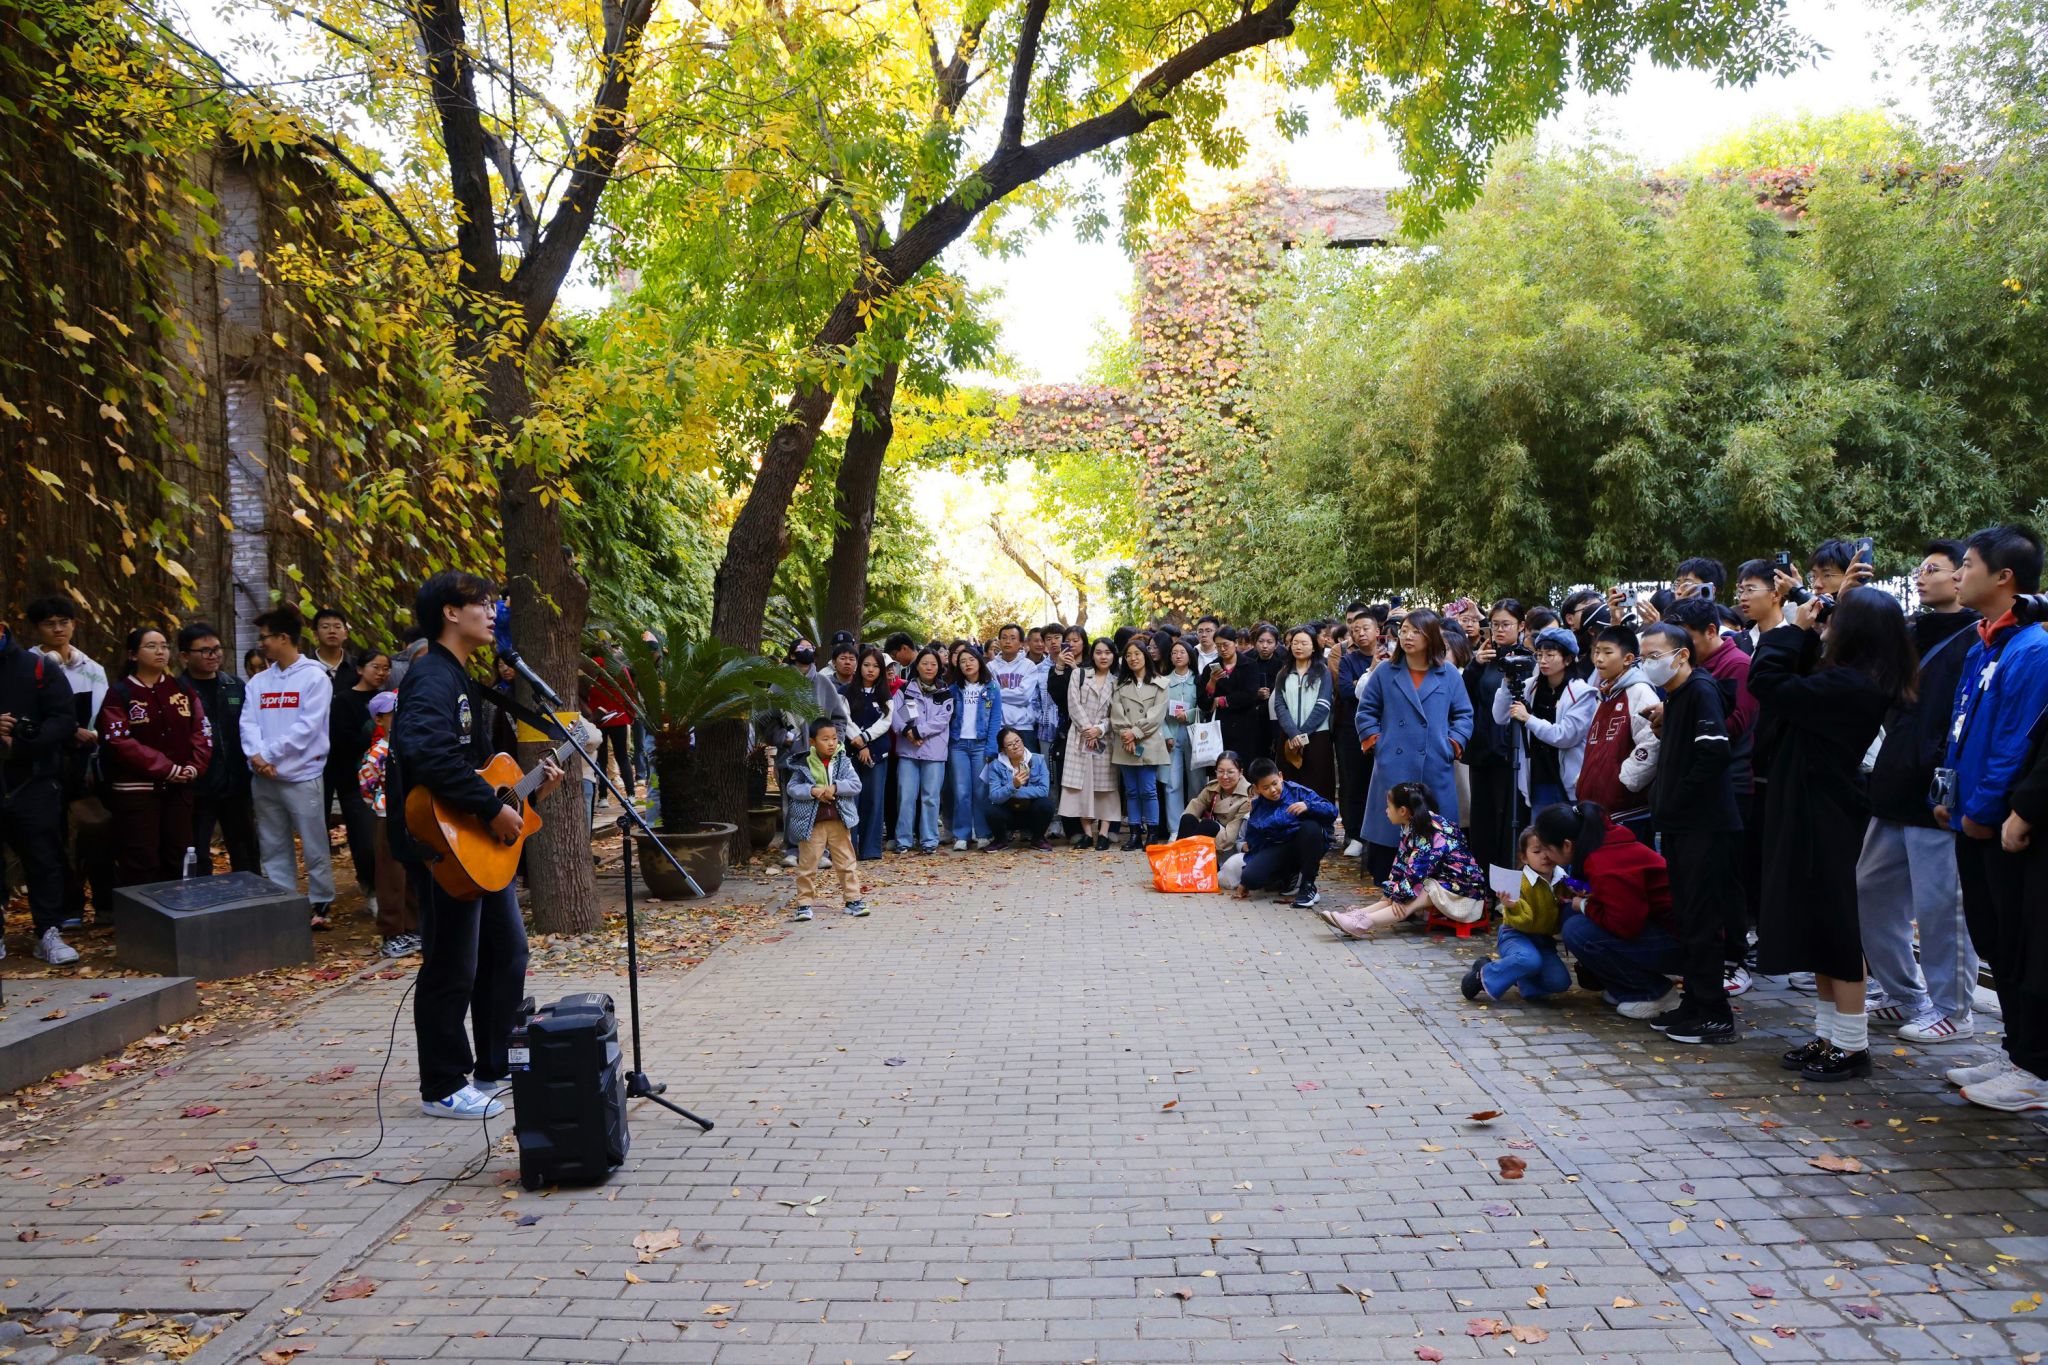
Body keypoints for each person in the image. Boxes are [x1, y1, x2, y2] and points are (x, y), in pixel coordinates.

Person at [391, 571, 564, 1121]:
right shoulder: (431, 677)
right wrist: (490, 809)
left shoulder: (461, 676)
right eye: (482, 604)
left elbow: (481, 770)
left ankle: (494, 1064)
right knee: (451, 965)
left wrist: (526, 793)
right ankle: (442, 1085)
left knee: (506, 953)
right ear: (449, 612)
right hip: (442, 844)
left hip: (476, 845)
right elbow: (427, 754)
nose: (493, 613)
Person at [1749, 587, 1917, 1081]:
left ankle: (1852, 1043)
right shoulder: (1850, 678)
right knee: (1816, 925)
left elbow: (1767, 683)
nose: (1828, 626)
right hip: (1811, 808)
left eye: (1837, 620)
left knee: (1836, 927)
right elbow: (1790, 683)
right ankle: (1829, 1036)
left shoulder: (1853, 685)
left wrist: (1791, 631)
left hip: (1828, 815)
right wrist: (1803, 637)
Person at [1938, 526, 2048, 1111]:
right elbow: (1961, 727)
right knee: (1995, 942)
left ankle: (2035, 1067)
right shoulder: (1985, 641)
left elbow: (2014, 743)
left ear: (2005, 576)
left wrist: (1982, 808)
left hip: (2001, 823)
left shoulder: (2033, 649)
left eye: (1968, 565)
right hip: (1969, 815)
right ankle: (2016, 1050)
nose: (1958, 574)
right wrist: (1948, 795)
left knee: (2017, 944)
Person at [1858, 541, 1982, 1044]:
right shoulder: (1908, 633)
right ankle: (1903, 992)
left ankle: (1954, 1008)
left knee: (1941, 906)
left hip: (1938, 794)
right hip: (1893, 784)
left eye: (1935, 568)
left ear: (1961, 578)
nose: (1921, 576)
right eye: (1920, 568)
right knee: (1870, 889)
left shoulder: (1978, 638)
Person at [1635, 621, 1743, 1044]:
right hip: (1680, 825)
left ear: (1682, 655)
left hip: (1705, 825)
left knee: (1703, 919)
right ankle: (1695, 1002)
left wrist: (1676, 800)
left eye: (1654, 655)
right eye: (1643, 656)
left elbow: (1713, 754)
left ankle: (1715, 1013)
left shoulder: (1700, 690)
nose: (1648, 663)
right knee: (1687, 917)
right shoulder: (1675, 695)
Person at [1666, 595, 1759, 994]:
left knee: (1725, 878)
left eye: (1685, 638)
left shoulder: (1736, 665)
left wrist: (1678, 719)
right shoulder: (1694, 669)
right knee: (1696, 884)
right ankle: (1703, 963)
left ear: (1710, 631)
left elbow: (1734, 725)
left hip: (1729, 785)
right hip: (1694, 786)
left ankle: (1734, 959)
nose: (1679, 649)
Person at [1355, 608, 1473, 881]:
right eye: (1404, 630)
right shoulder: (1386, 671)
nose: (1407, 637)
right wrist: (1379, 744)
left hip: (1435, 763)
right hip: (1393, 764)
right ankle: (1391, 892)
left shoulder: (1449, 674)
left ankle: (1428, 894)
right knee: (1390, 838)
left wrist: (1452, 745)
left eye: (1416, 632)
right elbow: (1366, 711)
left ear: (1431, 636)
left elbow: (1464, 715)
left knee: (1434, 837)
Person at [1540, 800, 1682, 1016]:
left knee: (1577, 931)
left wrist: (1585, 905)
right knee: (1571, 914)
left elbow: (1625, 924)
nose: (1545, 856)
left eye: (1547, 849)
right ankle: (1626, 987)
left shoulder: (1604, 862)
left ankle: (1653, 993)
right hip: (1662, 926)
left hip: (1682, 940)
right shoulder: (1603, 841)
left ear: (1567, 845)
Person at [242, 606, 337, 927]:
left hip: (302, 775)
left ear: (284, 638)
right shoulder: (259, 682)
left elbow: (308, 728)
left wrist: (267, 755)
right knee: (272, 842)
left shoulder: (315, 677)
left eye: (265, 637)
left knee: (313, 842)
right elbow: (248, 723)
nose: (262, 643)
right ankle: (282, 900)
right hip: (263, 777)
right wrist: (256, 757)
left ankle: (320, 900)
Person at [98, 627, 212, 887]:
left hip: (179, 789)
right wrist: (166, 768)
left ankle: (179, 909)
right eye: (151, 646)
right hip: (136, 792)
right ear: (133, 654)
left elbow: (202, 730)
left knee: (179, 855)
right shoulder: (120, 693)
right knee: (141, 859)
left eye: (164, 646)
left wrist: (194, 766)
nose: (160, 651)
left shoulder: (182, 689)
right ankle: (141, 912)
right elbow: (118, 741)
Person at [1, 620, 81, 963]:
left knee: (43, 857)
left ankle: (49, 930)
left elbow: (64, 720)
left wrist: (21, 740)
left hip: (33, 780)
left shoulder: (37, 667)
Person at [29, 595, 110, 929]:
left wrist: (91, 735)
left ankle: (105, 903)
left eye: (64, 622)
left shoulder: (92, 669)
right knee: (53, 836)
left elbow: (104, 712)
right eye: (49, 624)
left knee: (97, 830)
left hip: (85, 762)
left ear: (74, 625)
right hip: (44, 762)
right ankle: (66, 907)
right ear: (37, 628)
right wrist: (67, 730)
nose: (58, 629)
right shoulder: (28, 666)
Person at [1318, 781, 1484, 935]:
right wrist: (1392, 892)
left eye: (1389, 806)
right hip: (1442, 882)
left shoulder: (1429, 831)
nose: (1386, 811)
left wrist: (1400, 896)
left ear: (1403, 811)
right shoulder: (1413, 825)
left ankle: (1363, 923)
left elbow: (1417, 872)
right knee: (1400, 893)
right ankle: (1357, 916)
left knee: (1418, 891)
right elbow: (1401, 863)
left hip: (1465, 893)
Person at [178, 622, 259, 875]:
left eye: (216, 649)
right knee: (197, 849)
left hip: (236, 782)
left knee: (245, 846)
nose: (213, 655)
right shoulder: (177, 691)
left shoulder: (234, 685)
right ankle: (201, 895)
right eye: (204, 651)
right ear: (184, 656)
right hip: (199, 785)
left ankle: (253, 893)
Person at [1491, 626, 1596, 810]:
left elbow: (1566, 736)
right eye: (1539, 655)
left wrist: (1528, 719)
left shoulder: (1581, 692)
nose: (1543, 661)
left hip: (1569, 782)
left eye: (1550, 655)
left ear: (1568, 659)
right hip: (1537, 777)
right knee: (1540, 828)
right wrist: (1507, 682)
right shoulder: (1531, 686)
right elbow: (1500, 717)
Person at [1462, 828, 1572, 1002]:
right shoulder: (1519, 882)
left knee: (1560, 982)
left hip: (1543, 940)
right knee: (1530, 960)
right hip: (1515, 935)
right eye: (1537, 851)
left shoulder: (1563, 879)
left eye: (1548, 849)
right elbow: (1524, 921)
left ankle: (1522, 981)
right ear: (1524, 857)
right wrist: (1513, 906)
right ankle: (1483, 974)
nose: (1544, 856)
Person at [1574, 624, 1659, 845]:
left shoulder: (1640, 692)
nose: (1599, 659)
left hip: (1627, 812)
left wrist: (1626, 780)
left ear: (1628, 659)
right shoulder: (1606, 694)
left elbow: (1652, 741)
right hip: (1599, 810)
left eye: (1607, 652)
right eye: (1596, 651)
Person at [357, 689, 421, 956]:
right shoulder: (377, 753)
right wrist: (381, 804)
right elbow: (367, 785)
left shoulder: (410, 745)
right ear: (379, 719)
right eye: (392, 714)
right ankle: (392, 932)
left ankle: (414, 926)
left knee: (414, 872)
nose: (398, 717)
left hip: (412, 815)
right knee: (390, 875)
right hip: (387, 816)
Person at [1463, 600, 1524, 877]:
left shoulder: (1525, 658)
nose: (1499, 630)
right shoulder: (1483, 658)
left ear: (1521, 626)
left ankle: (1507, 884)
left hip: (1509, 751)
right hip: (1481, 750)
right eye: (1495, 624)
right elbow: (1465, 696)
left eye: (1506, 624)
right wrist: (1475, 665)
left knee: (1508, 819)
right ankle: (1483, 882)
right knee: (1482, 820)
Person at [786, 716, 867, 921]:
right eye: (825, 739)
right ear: (812, 742)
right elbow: (792, 788)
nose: (831, 743)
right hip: (812, 823)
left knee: (846, 862)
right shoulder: (803, 764)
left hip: (839, 821)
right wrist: (813, 791)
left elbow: (856, 784)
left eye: (834, 738)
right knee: (808, 864)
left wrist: (835, 788)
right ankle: (804, 904)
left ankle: (853, 900)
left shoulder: (843, 761)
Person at [330, 647, 391, 915]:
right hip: (355, 782)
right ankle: (371, 888)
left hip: (388, 782)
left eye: (386, 668)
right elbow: (341, 741)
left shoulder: (390, 699)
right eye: (375, 667)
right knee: (364, 839)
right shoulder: (344, 701)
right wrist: (373, 736)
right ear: (359, 669)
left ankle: (392, 891)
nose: (381, 673)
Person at [1235, 756, 1335, 908]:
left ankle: (1308, 885)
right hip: (1279, 847)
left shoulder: (1298, 791)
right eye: (1266, 788)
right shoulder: (1258, 807)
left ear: (1281, 776)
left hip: (1306, 842)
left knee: (1310, 827)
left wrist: (1308, 806)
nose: (1273, 790)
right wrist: (1246, 877)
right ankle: (1290, 876)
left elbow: (1332, 810)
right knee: (1250, 878)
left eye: (1275, 783)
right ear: (1257, 789)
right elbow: (1255, 841)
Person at [889, 647, 953, 854]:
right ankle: (904, 840)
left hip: (934, 753)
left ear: (939, 667)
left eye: (933, 664)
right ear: (917, 666)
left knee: (931, 798)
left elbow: (942, 720)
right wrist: (907, 731)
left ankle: (929, 841)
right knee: (906, 797)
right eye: (925, 663)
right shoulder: (905, 689)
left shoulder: (945, 692)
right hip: (908, 752)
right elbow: (895, 714)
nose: (929, 667)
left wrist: (918, 732)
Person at [1060, 639, 1121, 849]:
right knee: (1081, 785)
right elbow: (1073, 704)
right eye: (1098, 652)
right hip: (1079, 737)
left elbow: (1118, 714)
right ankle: (1087, 833)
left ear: (1114, 655)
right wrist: (1088, 730)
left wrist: (1100, 729)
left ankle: (1103, 833)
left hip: (1105, 740)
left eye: (1107, 652)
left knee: (1106, 787)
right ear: (1092, 655)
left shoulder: (1118, 682)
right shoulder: (1079, 674)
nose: (1103, 657)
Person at [1109, 638, 1169, 850]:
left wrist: (1134, 734)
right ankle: (1134, 833)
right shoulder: (1119, 684)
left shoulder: (1161, 683)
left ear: (1145, 655)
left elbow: (1157, 715)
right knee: (1131, 791)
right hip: (1125, 743)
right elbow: (1116, 713)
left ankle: (1152, 833)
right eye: (1128, 655)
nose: (1133, 658)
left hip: (1147, 742)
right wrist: (1127, 735)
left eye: (1137, 654)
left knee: (1148, 790)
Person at [1334, 608, 1382, 859]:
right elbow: (1345, 691)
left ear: (1377, 630)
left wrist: (1359, 683)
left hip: (1383, 728)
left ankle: (1380, 835)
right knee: (1354, 783)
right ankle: (1355, 835)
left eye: (1365, 628)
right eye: (1355, 630)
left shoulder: (1392, 656)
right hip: (1352, 729)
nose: (1360, 633)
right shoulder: (1348, 660)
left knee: (1381, 783)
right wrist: (1370, 671)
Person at [841, 648, 895, 861]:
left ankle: (871, 849)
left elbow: (886, 722)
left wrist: (865, 738)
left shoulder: (885, 694)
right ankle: (848, 848)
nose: (870, 670)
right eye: (866, 665)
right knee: (851, 800)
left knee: (874, 800)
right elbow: (844, 719)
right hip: (851, 753)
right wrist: (859, 742)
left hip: (877, 753)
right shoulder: (846, 692)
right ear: (859, 666)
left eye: (875, 666)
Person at [1271, 625, 1336, 802]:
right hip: (1289, 736)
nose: (1298, 647)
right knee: (1289, 785)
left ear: (1314, 647)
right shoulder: (1283, 673)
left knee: (1319, 784)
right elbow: (1279, 704)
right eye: (1295, 643)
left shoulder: (1323, 672)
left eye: (1304, 643)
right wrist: (1293, 733)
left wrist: (1302, 734)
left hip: (1317, 736)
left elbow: (1323, 705)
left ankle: (1320, 819)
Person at [947, 644, 1001, 851]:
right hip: (958, 745)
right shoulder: (953, 689)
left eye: (971, 660)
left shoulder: (992, 687)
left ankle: (983, 833)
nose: (967, 664)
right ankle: (962, 835)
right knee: (961, 791)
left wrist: (991, 747)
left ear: (979, 661)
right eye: (962, 661)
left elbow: (995, 719)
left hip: (980, 745)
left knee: (980, 791)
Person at [982, 726, 1055, 850]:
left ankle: (1038, 838)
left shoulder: (1038, 760)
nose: (1015, 746)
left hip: (1031, 811)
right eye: (1010, 744)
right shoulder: (995, 765)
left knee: (1046, 804)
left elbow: (1043, 790)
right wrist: (1013, 785)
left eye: (1017, 741)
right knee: (990, 808)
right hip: (1008, 812)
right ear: (1003, 750)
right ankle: (1000, 840)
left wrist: (1015, 790)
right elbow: (994, 795)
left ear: (1022, 741)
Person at [581, 650, 638, 802]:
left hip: (598, 717)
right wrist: (631, 715)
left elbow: (585, 690)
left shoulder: (591, 666)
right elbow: (630, 692)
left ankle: (603, 797)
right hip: (619, 717)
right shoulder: (620, 667)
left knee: (601, 759)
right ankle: (631, 794)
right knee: (622, 757)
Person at [1159, 638, 1203, 827]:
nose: (1178, 656)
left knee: (1197, 783)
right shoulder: (1163, 681)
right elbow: (1157, 712)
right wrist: (1167, 735)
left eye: (1182, 652)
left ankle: (1194, 823)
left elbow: (1206, 707)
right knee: (1172, 783)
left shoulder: (1198, 680)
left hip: (1195, 735)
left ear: (1190, 656)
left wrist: (1189, 715)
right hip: (1172, 735)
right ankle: (1175, 828)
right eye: (1174, 653)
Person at [1206, 627, 1266, 765]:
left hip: (1245, 726)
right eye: (1218, 646)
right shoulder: (1211, 667)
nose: (1222, 649)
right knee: (1221, 766)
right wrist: (1212, 682)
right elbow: (1203, 700)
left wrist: (1222, 700)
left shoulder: (1250, 665)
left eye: (1225, 645)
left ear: (1235, 643)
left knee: (1243, 765)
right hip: (1220, 727)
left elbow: (1250, 694)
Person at [1178, 751, 1253, 857]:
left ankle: (1184, 856)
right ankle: (1181, 856)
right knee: (1188, 818)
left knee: (1209, 825)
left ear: (1240, 772)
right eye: (1220, 771)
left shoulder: (1248, 796)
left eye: (1230, 772)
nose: (1225, 777)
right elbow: (1194, 808)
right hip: (1202, 837)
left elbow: (1230, 837)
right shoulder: (1212, 788)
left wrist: (1202, 826)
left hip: (1226, 846)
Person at [988, 625, 1044, 753]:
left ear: (1021, 643)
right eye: (1004, 638)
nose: (1008, 641)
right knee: (1001, 764)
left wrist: (998, 692)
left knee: (1028, 764)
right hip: (999, 726)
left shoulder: (1029, 666)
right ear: (999, 641)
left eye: (1013, 638)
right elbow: (989, 695)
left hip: (1024, 726)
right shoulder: (990, 667)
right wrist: (1013, 693)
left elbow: (1024, 696)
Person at [310, 607, 358, 688]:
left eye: (337, 627)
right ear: (315, 635)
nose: (332, 631)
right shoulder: (306, 666)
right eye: (325, 627)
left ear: (346, 634)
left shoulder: (358, 666)